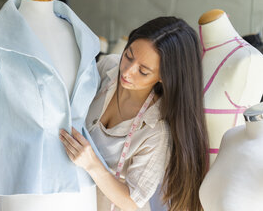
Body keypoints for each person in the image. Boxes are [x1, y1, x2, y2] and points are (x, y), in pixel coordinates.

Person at [59, 17, 209, 211]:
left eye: (143, 71)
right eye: (129, 55)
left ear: (164, 76)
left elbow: (133, 202)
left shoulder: (156, 131)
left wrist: (93, 165)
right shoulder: (108, 69)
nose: (127, 72)